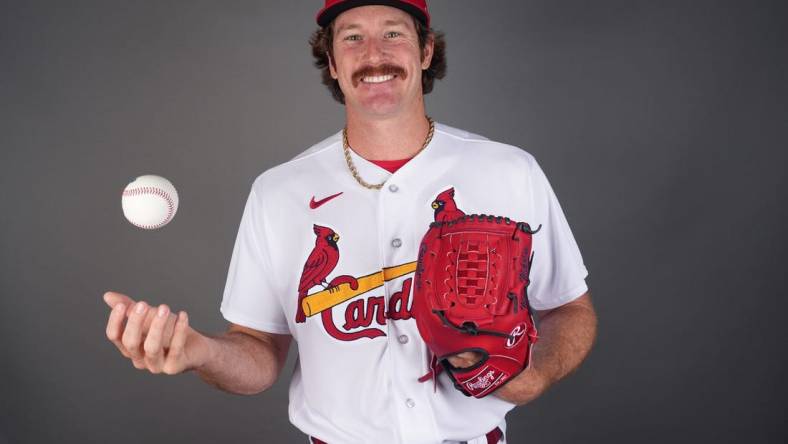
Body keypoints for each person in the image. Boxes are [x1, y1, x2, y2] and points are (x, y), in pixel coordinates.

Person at [103, 1, 598, 443]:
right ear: (333, 62)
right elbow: (258, 352)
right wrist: (200, 353)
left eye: (394, 33)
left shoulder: (508, 170)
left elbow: (570, 309)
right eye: (353, 37)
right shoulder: (278, 192)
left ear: (425, 52)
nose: (374, 54)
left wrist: (537, 374)